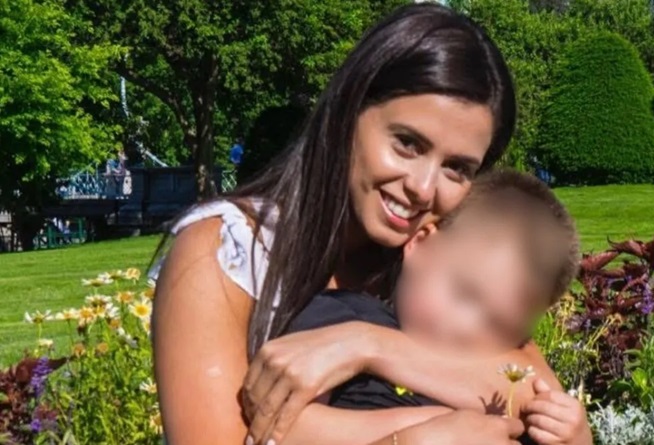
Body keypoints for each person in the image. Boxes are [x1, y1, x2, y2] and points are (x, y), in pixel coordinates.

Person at [151, 4, 591, 445]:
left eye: (457, 167)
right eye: (407, 143)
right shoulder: (226, 252)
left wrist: (364, 346)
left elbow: (531, 392)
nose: (423, 188)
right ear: (349, 111)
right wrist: (414, 440)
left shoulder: (441, 259)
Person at [276, 170, 586, 445]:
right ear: (420, 242)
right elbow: (281, 429)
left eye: (499, 326)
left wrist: (574, 436)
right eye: (464, 292)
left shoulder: (502, 373)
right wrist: (424, 429)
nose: (468, 328)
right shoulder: (340, 318)